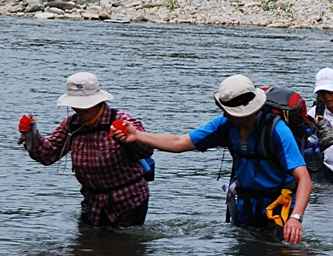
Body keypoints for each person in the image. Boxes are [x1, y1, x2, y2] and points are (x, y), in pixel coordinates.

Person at [112, 74, 311, 244]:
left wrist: (296, 218)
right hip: (246, 207)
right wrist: (137, 135)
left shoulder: (277, 131)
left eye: (228, 110)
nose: (224, 113)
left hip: (279, 209)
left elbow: (304, 179)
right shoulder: (226, 125)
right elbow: (179, 142)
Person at [18, 72, 153, 228]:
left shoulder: (123, 122)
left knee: (124, 247)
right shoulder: (71, 125)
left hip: (128, 200)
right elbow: (47, 155)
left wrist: (133, 138)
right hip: (92, 201)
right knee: (86, 248)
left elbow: (146, 151)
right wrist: (32, 136)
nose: (79, 109)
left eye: (84, 105)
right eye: (76, 104)